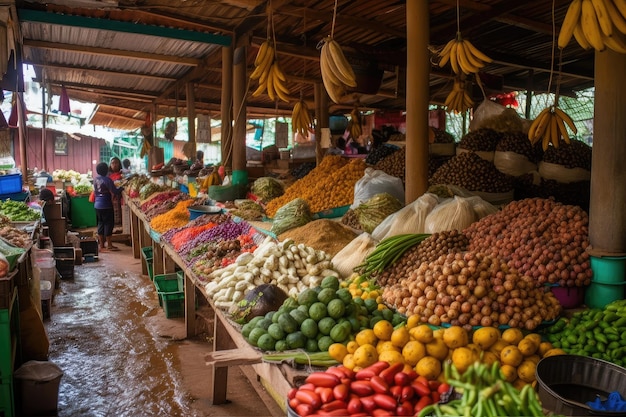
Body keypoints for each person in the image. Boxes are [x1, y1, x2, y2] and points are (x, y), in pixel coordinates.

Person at [93, 162, 123, 251]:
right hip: (106, 205)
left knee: (100, 224)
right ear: (106, 170)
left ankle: (102, 245)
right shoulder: (107, 180)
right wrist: (122, 187)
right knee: (108, 224)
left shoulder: (95, 179)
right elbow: (115, 191)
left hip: (97, 205)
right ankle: (109, 245)